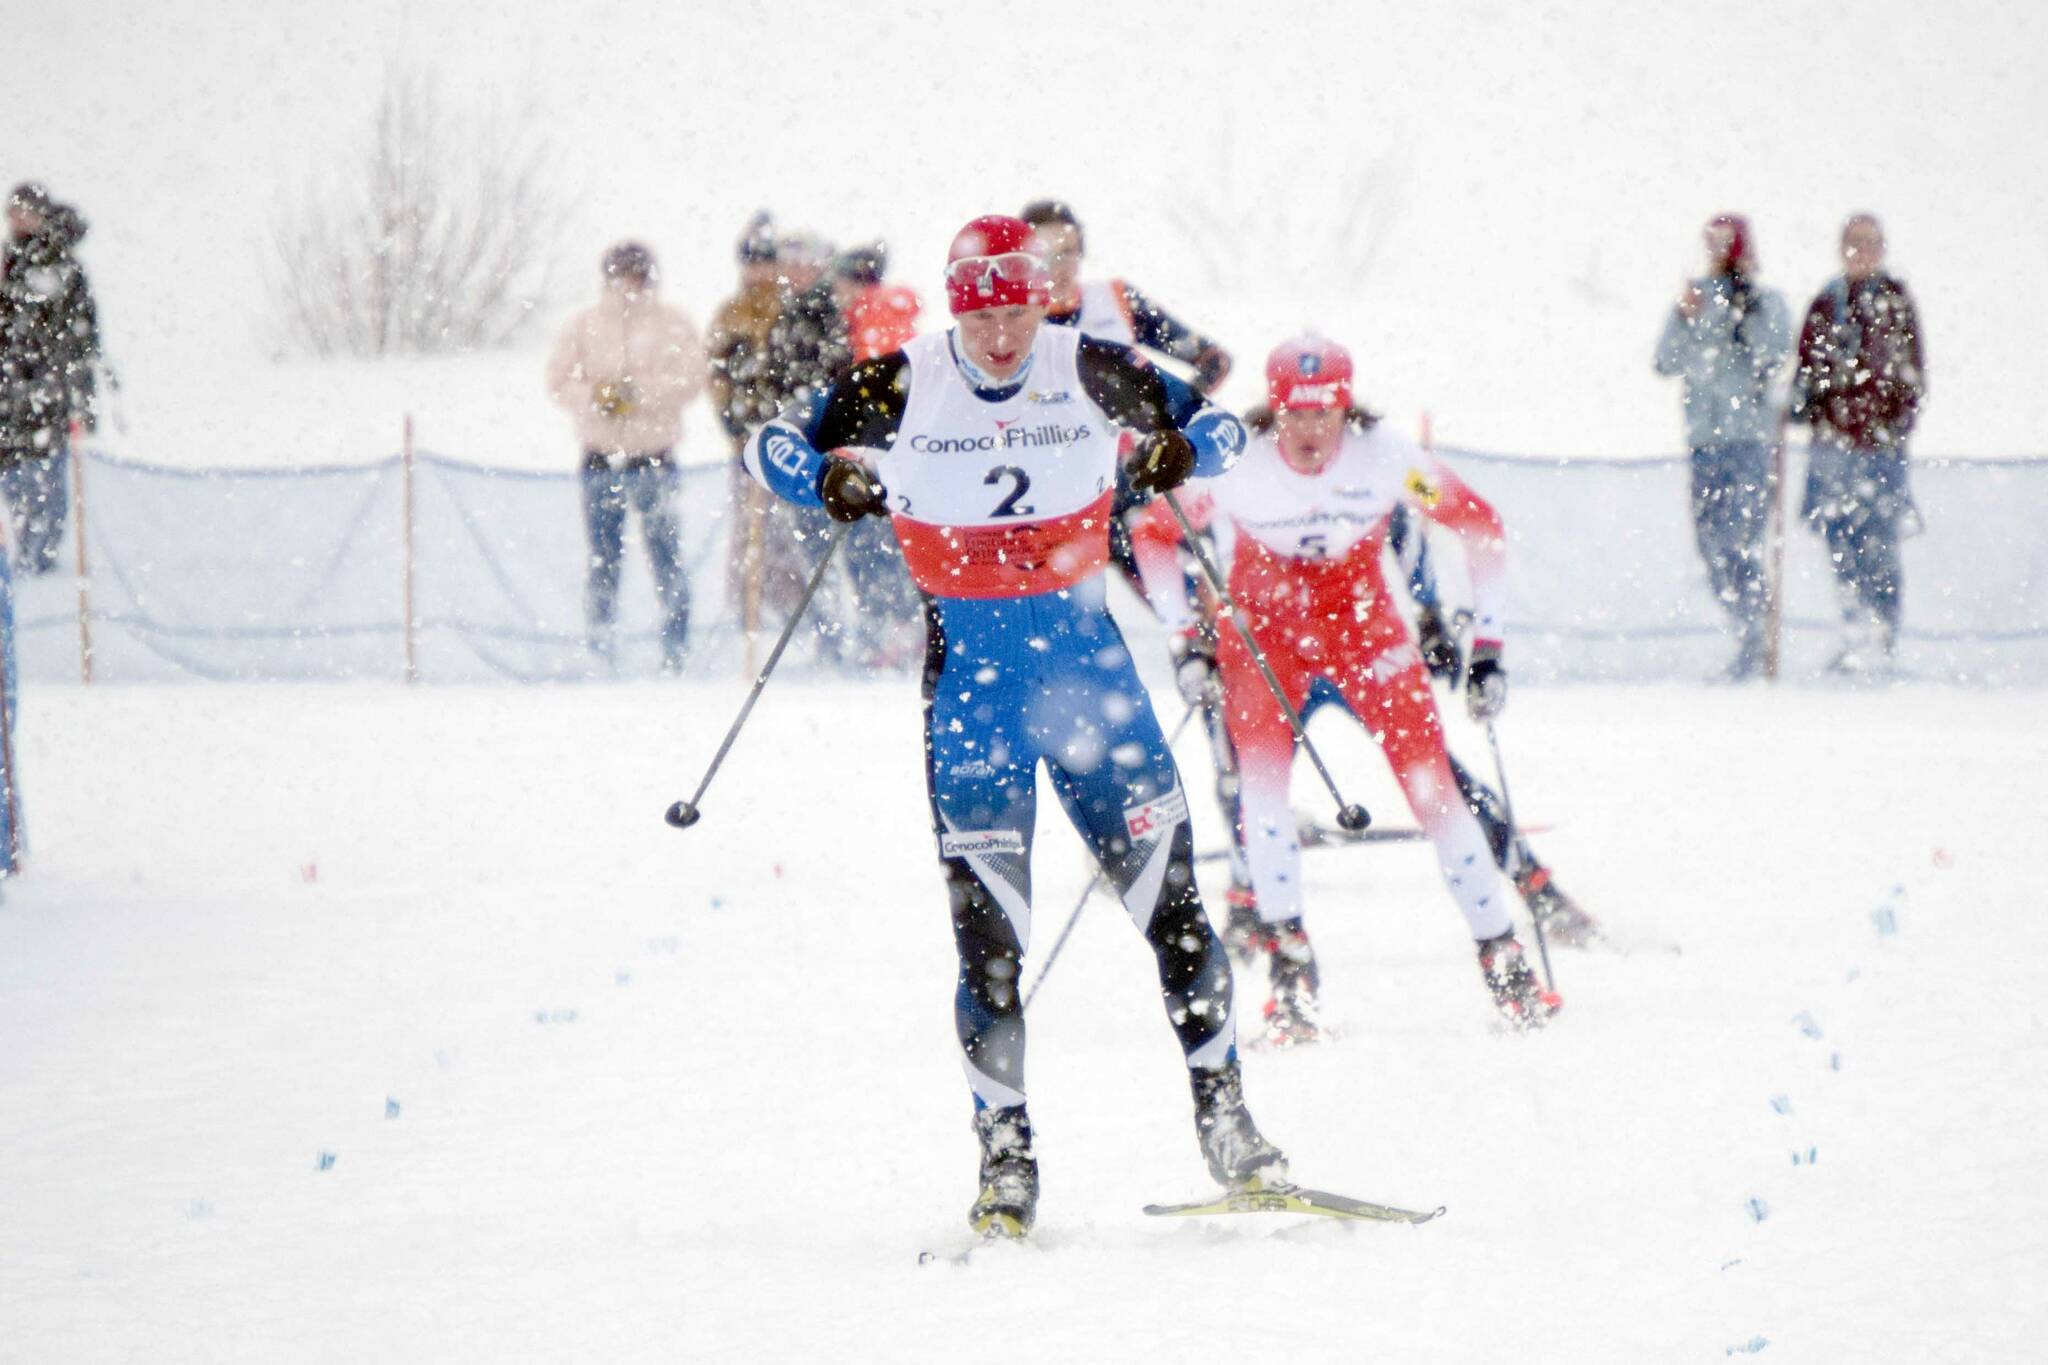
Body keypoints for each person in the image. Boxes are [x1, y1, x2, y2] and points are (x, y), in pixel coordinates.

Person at [740, 214, 1279, 1238]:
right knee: (989, 947)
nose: (999, 332)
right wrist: (822, 478)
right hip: (972, 698)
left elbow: (1227, 428)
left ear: (1043, 299)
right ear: (956, 305)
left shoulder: (1090, 364)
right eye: (979, 309)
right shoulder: (901, 378)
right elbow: (768, 444)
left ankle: (1227, 1123)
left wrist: (1177, 451)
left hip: (1091, 681)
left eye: (1017, 306)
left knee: (1173, 915)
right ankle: (1005, 1157)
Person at [1156, 336, 1562, 1042]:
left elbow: (1481, 525)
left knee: (1433, 788)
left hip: (1362, 627)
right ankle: (1292, 974)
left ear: (1347, 406)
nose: (1310, 431)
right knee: (1261, 794)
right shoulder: (1232, 462)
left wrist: (1489, 645)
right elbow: (1157, 536)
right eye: (1293, 414)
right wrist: (1184, 638)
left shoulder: (1387, 457)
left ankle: (1504, 958)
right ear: (1272, 408)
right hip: (1264, 632)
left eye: (1325, 413)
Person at [544, 241, 707, 674]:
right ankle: (601, 649)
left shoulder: (674, 323)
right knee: (603, 559)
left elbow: (692, 379)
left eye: (637, 275)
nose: (629, 284)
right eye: (621, 275)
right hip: (599, 458)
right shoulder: (584, 325)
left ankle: (676, 652)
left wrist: (638, 394)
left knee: (666, 557)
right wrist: (596, 398)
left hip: (654, 458)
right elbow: (558, 381)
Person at [1654, 214, 1792, 679]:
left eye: (1726, 243)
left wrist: (1743, 311)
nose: (1719, 251)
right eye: (1712, 241)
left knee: (1742, 543)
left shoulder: (1764, 301)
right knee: (1711, 546)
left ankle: (1758, 640)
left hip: (1749, 441)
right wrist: (1683, 315)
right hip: (1704, 443)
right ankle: (1743, 632)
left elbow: (1771, 354)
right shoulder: (1694, 298)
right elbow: (1665, 361)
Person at [1791, 213, 1927, 672]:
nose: (1861, 252)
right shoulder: (1826, 305)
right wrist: (1806, 405)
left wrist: (1892, 423)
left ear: (1882, 248)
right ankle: (1854, 633)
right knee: (1840, 542)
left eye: (1869, 243)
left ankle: (1882, 638)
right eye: (1853, 243)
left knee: (1880, 544)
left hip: (1881, 447)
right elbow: (1806, 370)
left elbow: (1912, 373)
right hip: (1832, 446)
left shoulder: (1895, 302)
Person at [0, 183, 99, 575]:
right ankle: (20, 554)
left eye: (24, 212)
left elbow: (80, 338)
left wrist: (79, 395)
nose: (18, 220)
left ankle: (37, 559)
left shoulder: (56, 264)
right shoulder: (10, 261)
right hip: (11, 398)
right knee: (15, 481)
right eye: (13, 213)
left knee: (45, 483)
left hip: (44, 397)